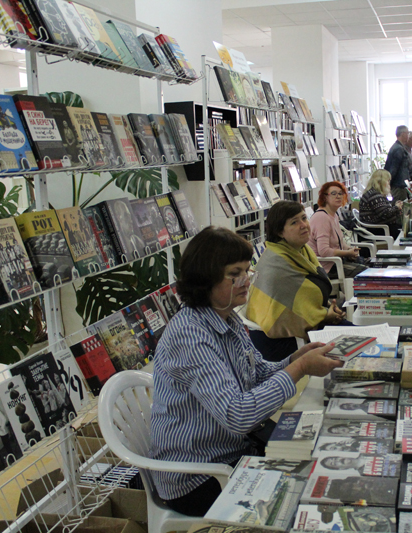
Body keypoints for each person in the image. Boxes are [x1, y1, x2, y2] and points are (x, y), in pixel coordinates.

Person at [149, 226, 343, 517]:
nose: (246, 280)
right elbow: (238, 415)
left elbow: (258, 372)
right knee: (306, 497)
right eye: (234, 274)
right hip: (197, 477)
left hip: (233, 450)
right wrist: (299, 368)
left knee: (320, 456)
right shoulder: (190, 336)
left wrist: (295, 358)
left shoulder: (226, 319)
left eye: (246, 270)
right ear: (205, 279)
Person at [245, 201, 348, 362]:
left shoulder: (301, 250)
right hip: (282, 343)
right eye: (294, 222)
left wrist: (328, 309)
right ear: (280, 232)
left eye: (304, 218)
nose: (304, 225)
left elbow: (307, 297)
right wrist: (325, 315)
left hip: (310, 322)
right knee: (365, 342)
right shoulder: (277, 264)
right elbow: (289, 315)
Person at [308, 182, 367, 279]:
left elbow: (339, 242)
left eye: (340, 193)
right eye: (333, 193)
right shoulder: (321, 217)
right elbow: (324, 251)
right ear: (325, 197)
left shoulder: (334, 215)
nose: (338, 196)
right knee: (367, 272)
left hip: (336, 262)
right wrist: (347, 253)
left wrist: (348, 249)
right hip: (325, 268)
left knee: (372, 264)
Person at [358, 169, 403, 238]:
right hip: (376, 229)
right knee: (404, 232)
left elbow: (383, 210)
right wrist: (396, 207)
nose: (389, 184)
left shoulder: (374, 193)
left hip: (378, 227)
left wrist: (395, 207)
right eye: (388, 181)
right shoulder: (374, 195)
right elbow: (385, 214)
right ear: (381, 182)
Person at [383, 125, 412, 201]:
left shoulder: (397, 147)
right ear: (403, 134)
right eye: (407, 133)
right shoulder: (399, 149)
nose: (408, 136)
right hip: (398, 187)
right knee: (398, 206)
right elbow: (393, 169)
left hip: (398, 186)